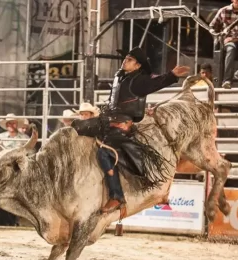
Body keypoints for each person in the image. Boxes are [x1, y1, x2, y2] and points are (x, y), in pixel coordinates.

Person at [72, 47, 189, 213]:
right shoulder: (120, 77)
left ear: (137, 65)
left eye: (129, 59)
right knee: (77, 127)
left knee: (104, 152)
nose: (125, 61)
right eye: (126, 58)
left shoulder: (138, 81)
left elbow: (155, 83)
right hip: (108, 121)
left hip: (121, 126)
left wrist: (172, 75)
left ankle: (117, 196)